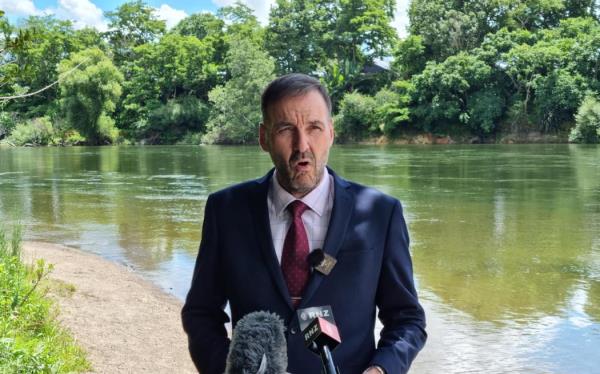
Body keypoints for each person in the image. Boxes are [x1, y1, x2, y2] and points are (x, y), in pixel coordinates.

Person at [181, 73, 427, 374]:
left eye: (314, 128)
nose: (302, 146)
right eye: (286, 129)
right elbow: (201, 313)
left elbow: (407, 319)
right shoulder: (226, 210)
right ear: (264, 137)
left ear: (331, 134)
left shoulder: (380, 213)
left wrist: (381, 370)